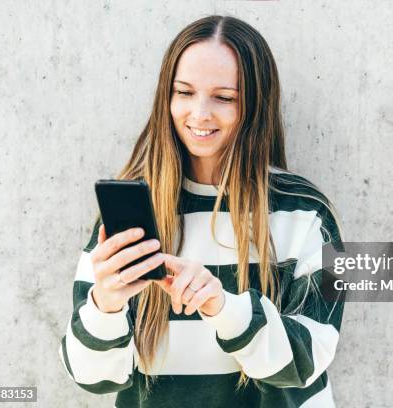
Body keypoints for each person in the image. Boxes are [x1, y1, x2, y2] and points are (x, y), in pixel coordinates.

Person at [59, 14, 345, 408]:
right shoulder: (132, 212)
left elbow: (307, 362)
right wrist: (104, 304)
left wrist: (221, 306)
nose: (199, 114)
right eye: (184, 92)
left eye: (224, 97)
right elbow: (93, 378)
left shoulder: (304, 212)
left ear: (256, 104)